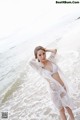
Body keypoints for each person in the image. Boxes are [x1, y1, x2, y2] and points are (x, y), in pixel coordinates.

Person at [29, 46, 75, 120]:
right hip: (54, 92)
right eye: (40, 55)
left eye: (43, 53)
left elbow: (54, 50)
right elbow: (30, 62)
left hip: (62, 87)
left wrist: (45, 49)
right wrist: (37, 56)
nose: (43, 56)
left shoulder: (51, 60)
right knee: (61, 110)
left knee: (68, 106)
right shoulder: (39, 67)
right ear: (36, 56)